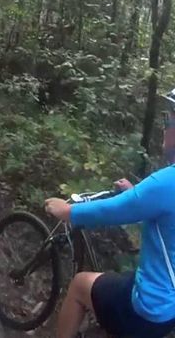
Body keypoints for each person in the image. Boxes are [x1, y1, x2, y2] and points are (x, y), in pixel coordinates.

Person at [44, 88, 175, 338]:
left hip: (148, 308)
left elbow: (114, 210)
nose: (165, 126)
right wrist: (136, 193)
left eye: (169, 119)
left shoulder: (167, 182)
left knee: (79, 285)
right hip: (170, 310)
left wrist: (69, 211)